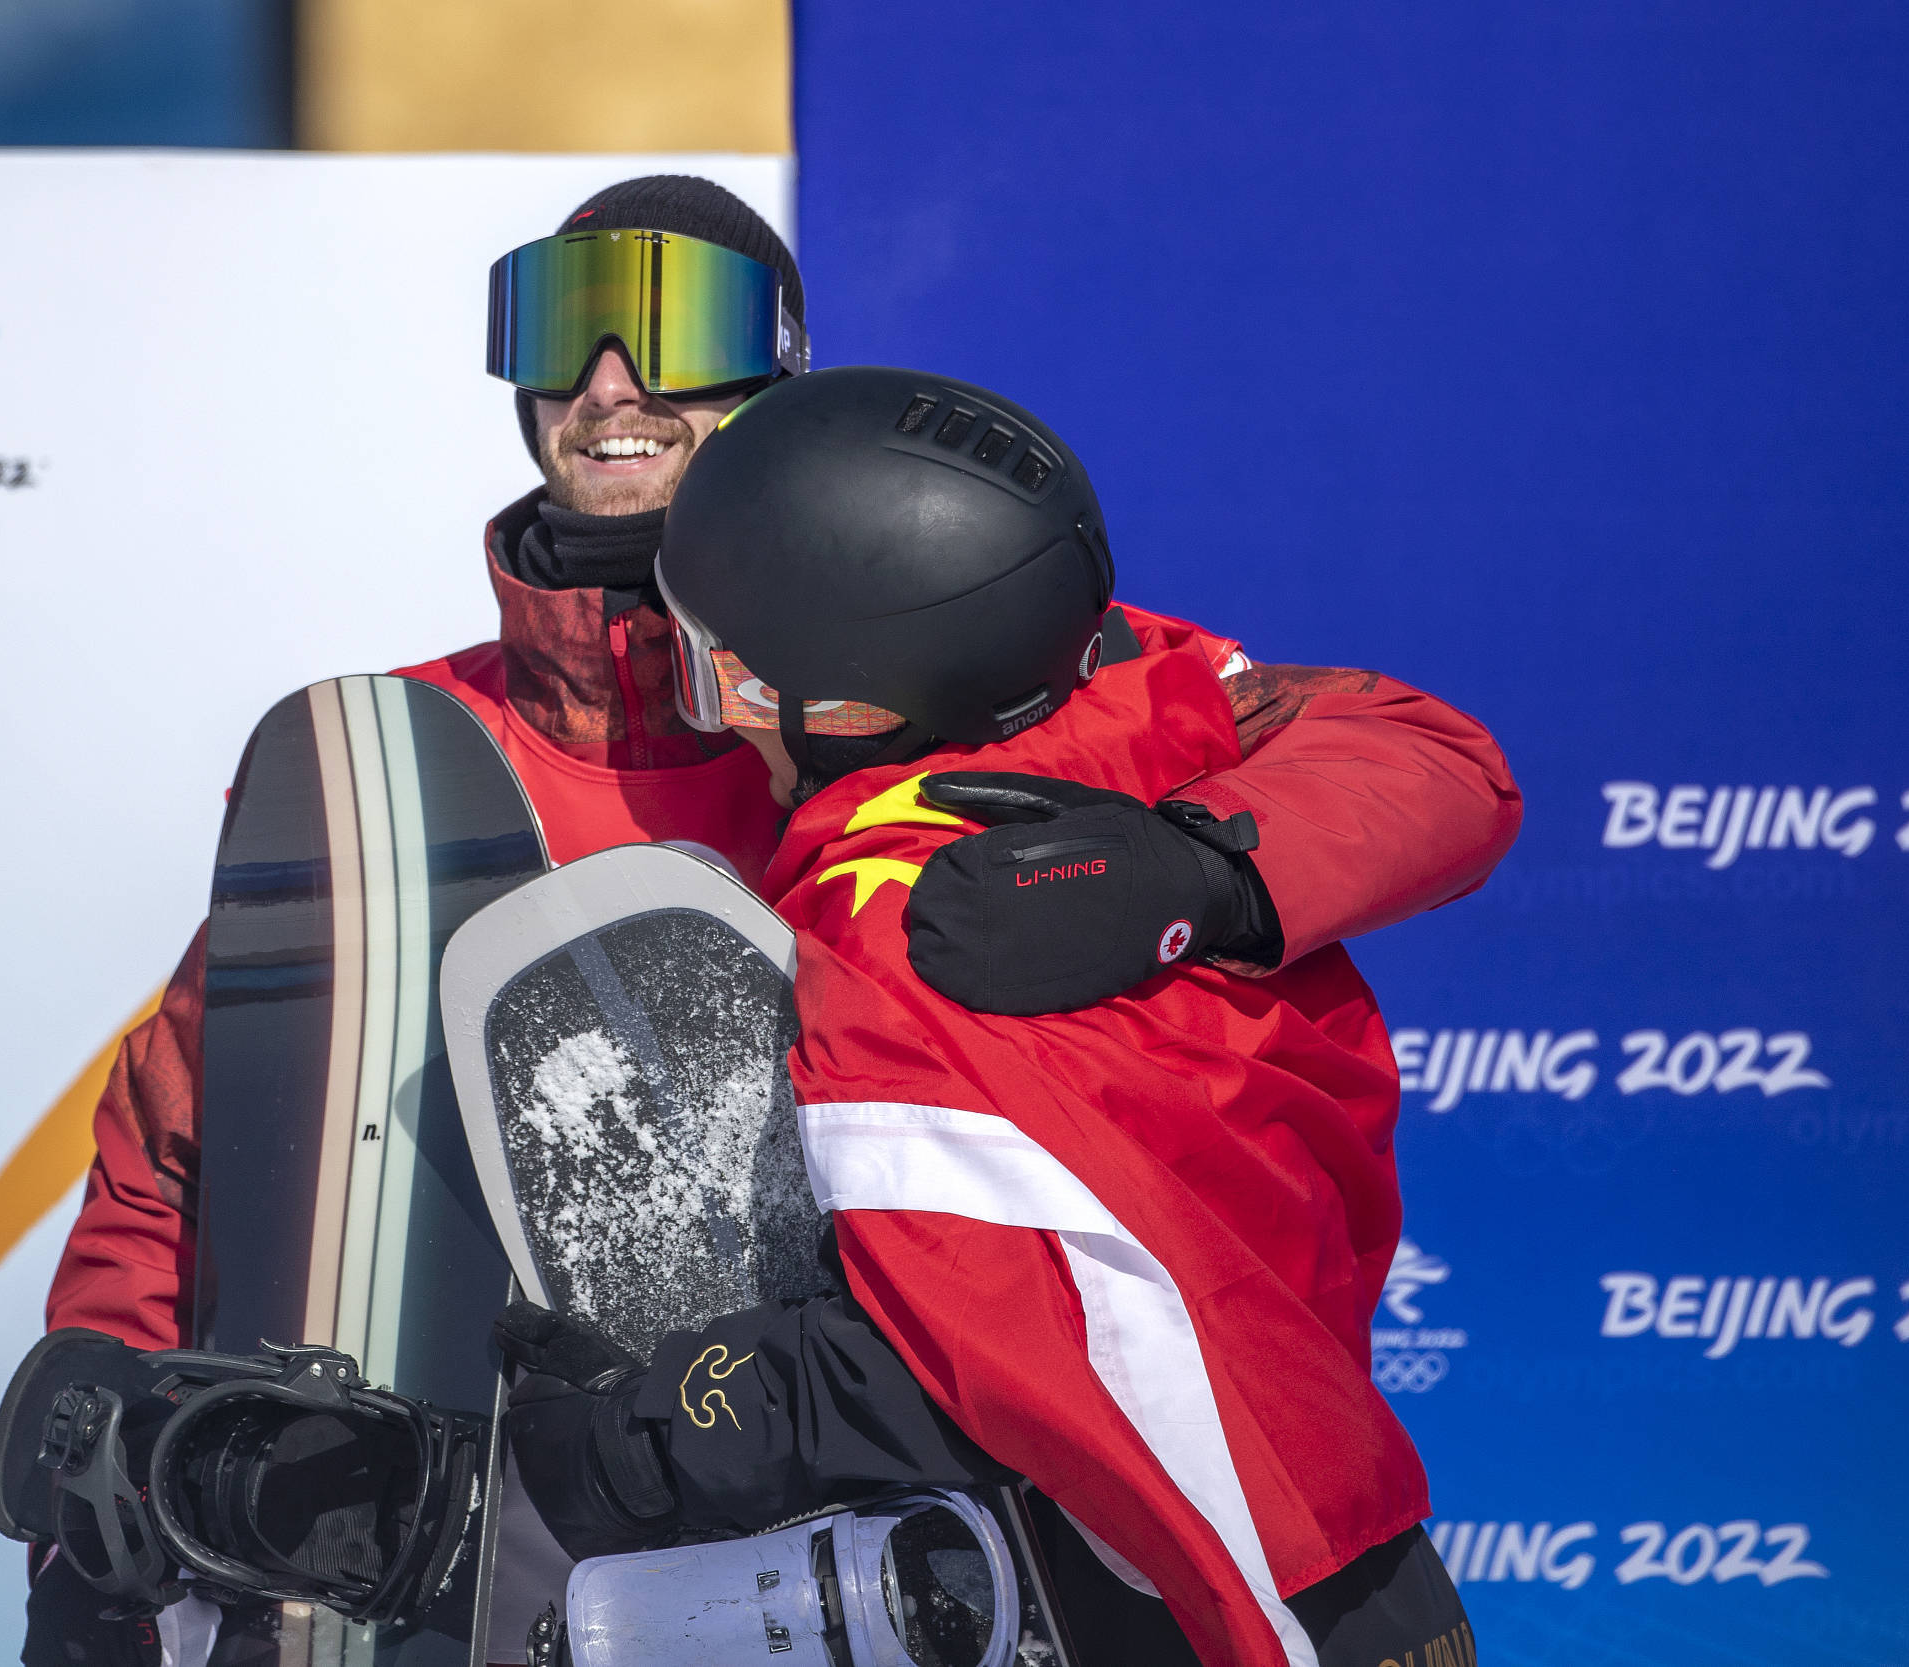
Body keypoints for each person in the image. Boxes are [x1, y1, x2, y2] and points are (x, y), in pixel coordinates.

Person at [32, 178, 1514, 1658]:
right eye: (563, 324)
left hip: (928, 1556)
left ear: (781, 368)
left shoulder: (967, 675)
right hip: (517, 1544)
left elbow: (1424, 760)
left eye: (679, 325)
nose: (611, 383)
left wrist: (1197, 875)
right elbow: (190, 1153)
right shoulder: (403, 769)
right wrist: (99, 1494)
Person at [491, 365, 1486, 1667]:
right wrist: (1202, 874)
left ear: (847, 704)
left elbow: (1022, 1341)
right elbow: (1427, 744)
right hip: (1356, 1555)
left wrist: (647, 1437)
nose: (719, 717)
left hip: (1179, 1593)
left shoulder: (908, 918)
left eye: (710, 668)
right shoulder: (1145, 707)